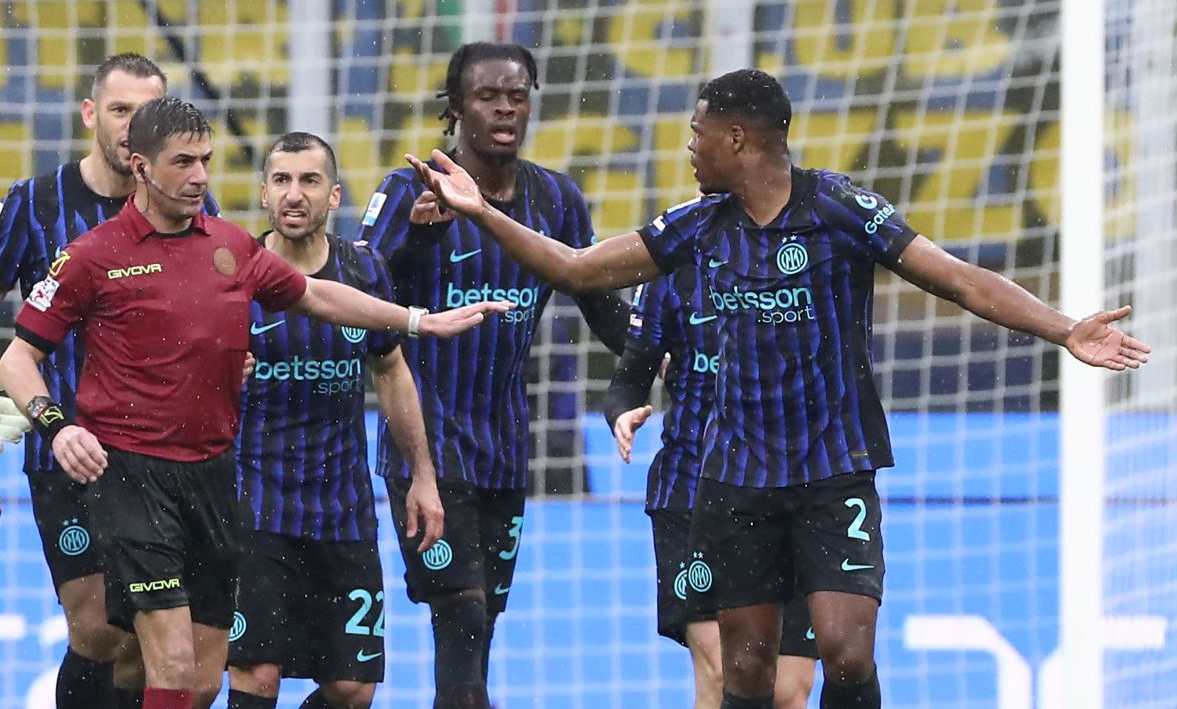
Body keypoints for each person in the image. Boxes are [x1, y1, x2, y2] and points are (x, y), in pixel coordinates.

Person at [405, 68, 1151, 709]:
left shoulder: (840, 210)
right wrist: (482, 212)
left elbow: (957, 279)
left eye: (698, 133)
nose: (689, 148)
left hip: (834, 471)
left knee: (846, 651)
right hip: (735, 480)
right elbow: (575, 269)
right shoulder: (695, 227)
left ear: (738, 139)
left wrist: (1063, 329)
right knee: (750, 666)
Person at [0, 97, 509, 709]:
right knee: (176, 663)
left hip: (215, 480)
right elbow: (16, 359)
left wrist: (419, 322)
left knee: (198, 676)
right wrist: (55, 428)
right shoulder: (91, 255)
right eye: (182, 162)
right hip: (132, 477)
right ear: (140, 166)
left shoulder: (229, 247)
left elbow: (319, 297)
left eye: (206, 161)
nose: (200, 177)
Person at [356, 42, 629, 708]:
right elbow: (362, 296)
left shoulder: (556, 199)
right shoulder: (408, 188)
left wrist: (655, 366)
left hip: (505, 449)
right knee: (462, 615)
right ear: (454, 109)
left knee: (479, 631)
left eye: (518, 93)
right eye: (488, 95)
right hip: (424, 441)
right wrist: (419, 237)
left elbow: (596, 300)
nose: (506, 107)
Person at [0, 53, 215, 709]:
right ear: (90, 114)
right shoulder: (35, 203)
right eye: (119, 111)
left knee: (154, 648)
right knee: (99, 626)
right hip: (66, 453)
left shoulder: (192, 201)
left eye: (147, 113)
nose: (133, 126)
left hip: (165, 462)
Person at [225, 131, 445, 709]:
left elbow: (392, 370)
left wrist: (422, 474)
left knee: (353, 689)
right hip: (254, 504)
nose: (294, 194)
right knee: (257, 675)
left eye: (309, 180)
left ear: (334, 196)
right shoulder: (232, 274)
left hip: (342, 507)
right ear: (265, 195)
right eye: (281, 181)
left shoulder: (364, 270)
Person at [605, 265, 816, 709]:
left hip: (790, 491)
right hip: (691, 489)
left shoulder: (809, 250)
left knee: (786, 692)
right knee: (724, 673)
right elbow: (630, 376)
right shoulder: (678, 259)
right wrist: (622, 412)